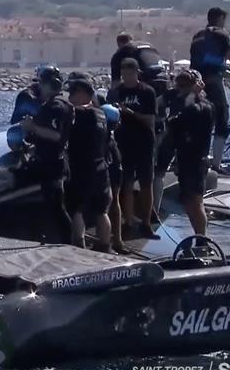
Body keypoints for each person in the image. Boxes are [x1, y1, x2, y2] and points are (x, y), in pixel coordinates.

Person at [190, 7, 230, 172]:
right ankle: (217, 165)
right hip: (212, 84)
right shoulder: (221, 34)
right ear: (219, 19)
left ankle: (195, 159)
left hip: (195, 83)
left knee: (200, 120)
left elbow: (214, 67)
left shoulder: (198, 37)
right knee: (222, 121)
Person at [157, 69, 214, 236]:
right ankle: (199, 235)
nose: (180, 90)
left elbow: (178, 121)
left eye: (184, 86)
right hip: (184, 158)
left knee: (195, 202)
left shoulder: (204, 107)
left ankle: (202, 238)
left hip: (196, 160)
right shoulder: (182, 103)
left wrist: (191, 97)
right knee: (189, 203)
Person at [108, 58, 160, 239]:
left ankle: (146, 223)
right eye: (124, 73)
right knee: (126, 184)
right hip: (123, 143)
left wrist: (130, 113)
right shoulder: (115, 92)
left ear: (137, 73)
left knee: (146, 184)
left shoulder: (147, 92)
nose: (127, 77)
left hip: (144, 142)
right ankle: (128, 222)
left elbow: (150, 119)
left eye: (130, 73)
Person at [20, 66, 72, 244]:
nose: (39, 87)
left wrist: (32, 128)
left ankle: (67, 242)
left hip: (51, 162)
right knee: (52, 204)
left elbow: (55, 135)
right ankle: (48, 236)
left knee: (56, 206)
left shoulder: (54, 107)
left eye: (41, 83)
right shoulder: (64, 103)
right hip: (53, 160)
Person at [65, 78, 112, 252]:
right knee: (101, 211)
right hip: (101, 167)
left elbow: (71, 116)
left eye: (73, 93)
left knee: (76, 209)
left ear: (83, 94)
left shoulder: (81, 115)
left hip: (82, 168)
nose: (70, 97)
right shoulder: (101, 114)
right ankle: (105, 246)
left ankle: (79, 246)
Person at [97, 94, 127, 254]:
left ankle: (105, 240)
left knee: (104, 207)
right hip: (117, 168)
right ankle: (118, 240)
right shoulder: (113, 139)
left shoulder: (100, 137)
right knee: (115, 202)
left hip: (108, 170)